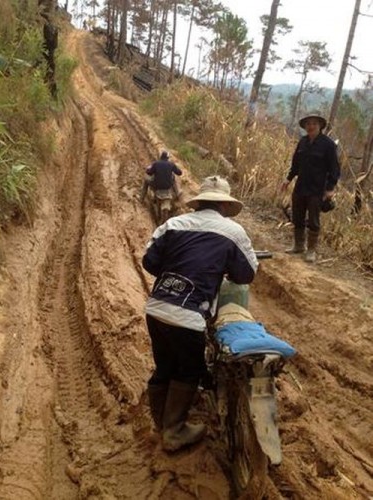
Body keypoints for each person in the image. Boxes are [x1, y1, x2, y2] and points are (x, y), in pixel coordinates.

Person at [142, 176, 258, 452]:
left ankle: (160, 422)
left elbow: (149, 260)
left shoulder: (172, 224)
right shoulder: (233, 232)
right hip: (188, 315)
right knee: (189, 371)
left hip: (156, 309)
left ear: (200, 203)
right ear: (225, 207)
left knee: (165, 366)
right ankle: (174, 431)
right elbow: (246, 274)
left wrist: (178, 271)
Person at [281, 112, 340, 263]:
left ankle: (311, 250)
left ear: (320, 126)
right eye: (308, 124)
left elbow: (334, 169)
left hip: (317, 188)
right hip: (301, 186)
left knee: (313, 220)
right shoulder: (303, 142)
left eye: (314, 123)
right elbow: (295, 164)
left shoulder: (328, 145)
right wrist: (288, 179)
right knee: (297, 216)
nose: (311, 126)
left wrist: (330, 188)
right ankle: (298, 245)